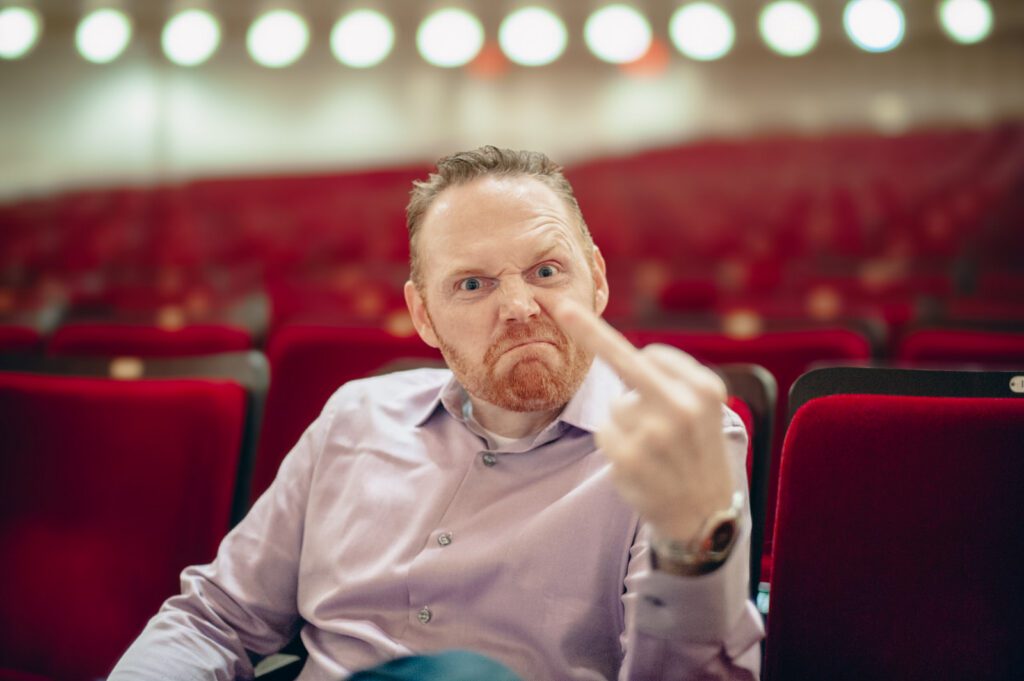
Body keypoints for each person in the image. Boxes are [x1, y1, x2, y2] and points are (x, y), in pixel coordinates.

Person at [109, 147, 764, 680]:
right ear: (422, 313)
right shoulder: (354, 417)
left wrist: (690, 555)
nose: (518, 306)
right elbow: (214, 618)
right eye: (473, 284)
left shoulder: (681, 443)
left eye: (545, 270)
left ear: (595, 277)